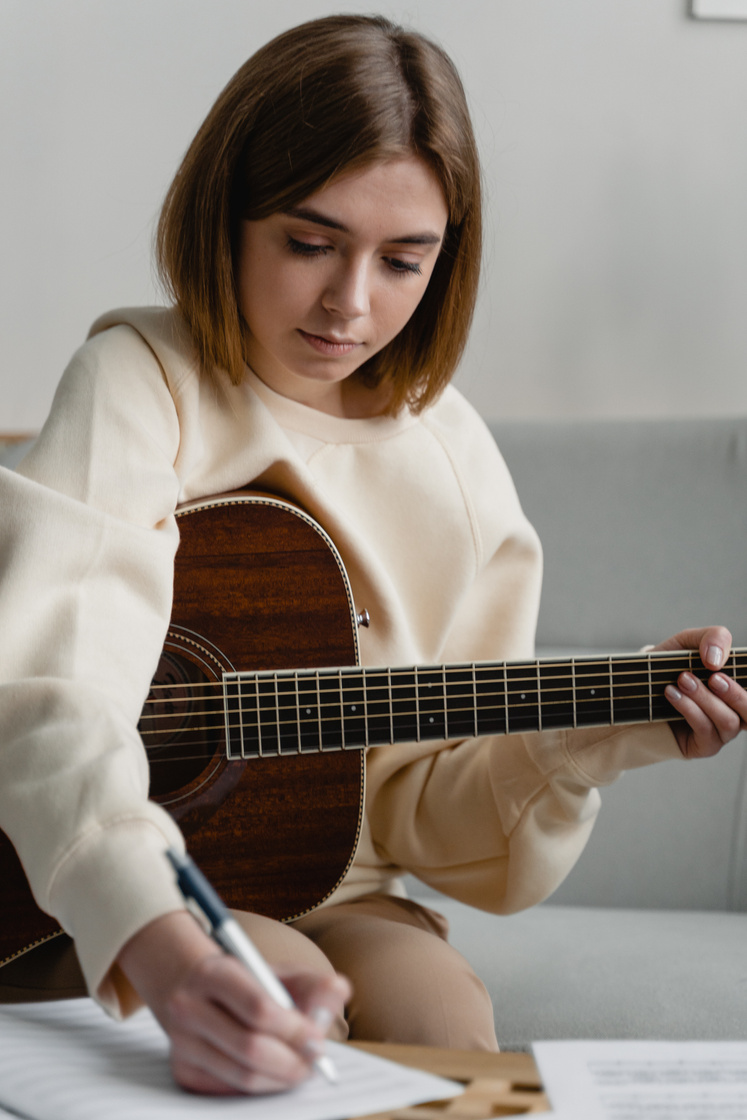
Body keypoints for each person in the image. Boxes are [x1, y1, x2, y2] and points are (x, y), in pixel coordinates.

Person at [0, 13, 745, 1097]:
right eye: (310, 243)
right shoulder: (136, 381)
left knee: (440, 1016)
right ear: (229, 216)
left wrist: (595, 737)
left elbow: (426, 811)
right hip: (118, 874)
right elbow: (50, 688)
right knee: (282, 983)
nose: (351, 304)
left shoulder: (453, 457)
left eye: (404, 260)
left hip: (346, 880)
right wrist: (157, 934)